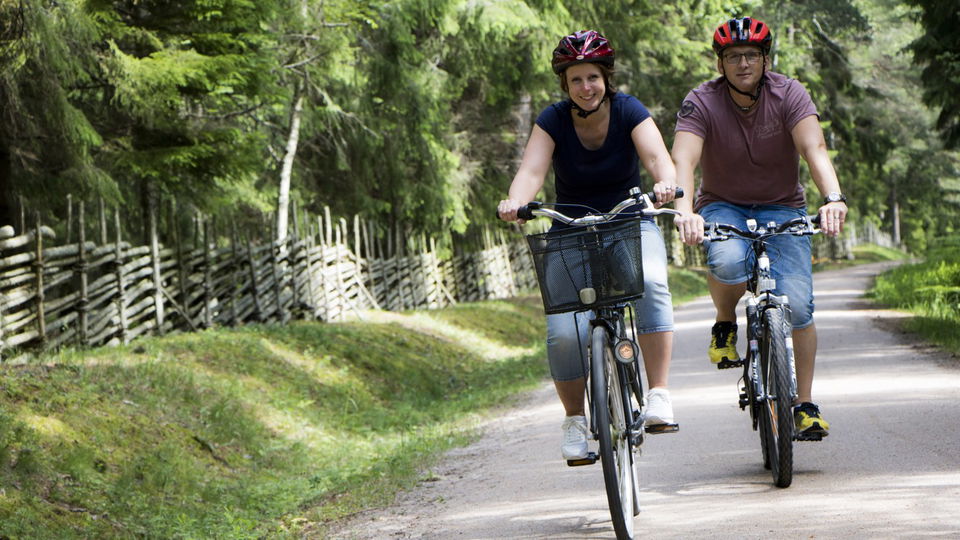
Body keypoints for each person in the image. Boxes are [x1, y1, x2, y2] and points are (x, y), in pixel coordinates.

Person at [497, 30, 681, 460]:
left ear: (606, 78)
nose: (585, 87)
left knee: (652, 284)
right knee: (563, 330)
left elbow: (657, 158)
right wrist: (516, 201)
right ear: (566, 84)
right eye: (576, 79)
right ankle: (575, 421)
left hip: (629, 221)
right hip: (571, 230)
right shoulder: (553, 120)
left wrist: (665, 183)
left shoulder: (629, 110)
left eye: (592, 77)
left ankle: (658, 395)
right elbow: (531, 171)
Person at [671, 17, 848, 437]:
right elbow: (684, 161)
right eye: (733, 56)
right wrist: (684, 210)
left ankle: (804, 404)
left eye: (751, 54)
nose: (743, 63)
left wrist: (834, 197)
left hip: (783, 205)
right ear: (720, 65)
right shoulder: (701, 101)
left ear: (766, 59)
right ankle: (724, 321)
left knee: (800, 307)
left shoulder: (789, 93)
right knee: (729, 262)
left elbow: (814, 147)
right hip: (722, 205)